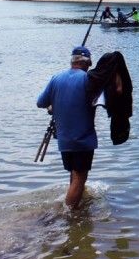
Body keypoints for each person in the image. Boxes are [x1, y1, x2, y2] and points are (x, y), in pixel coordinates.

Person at [36, 46, 97, 209]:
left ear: (72, 61)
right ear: (88, 62)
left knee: (75, 174)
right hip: (82, 139)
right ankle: (68, 215)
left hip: (64, 140)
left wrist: (53, 106)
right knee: (80, 177)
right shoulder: (88, 79)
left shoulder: (56, 78)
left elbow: (40, 102)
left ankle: (77, 206)